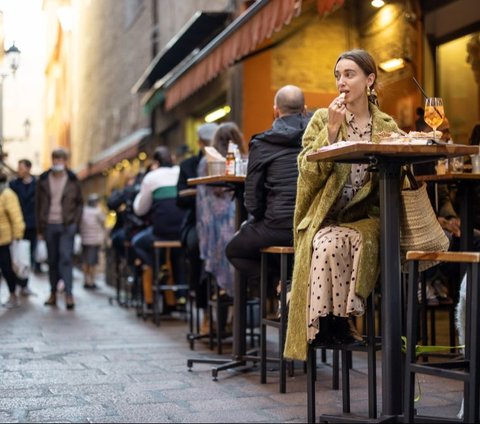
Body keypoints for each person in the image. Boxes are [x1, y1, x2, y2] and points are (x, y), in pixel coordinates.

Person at [284, 49, 400, 362]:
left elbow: (400, 170)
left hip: (366, 218)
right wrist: (332, 131)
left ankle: (340, 322)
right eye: (338, 76)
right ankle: (330, 325)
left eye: (349, 74)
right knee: (326, 238)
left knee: (336, 240)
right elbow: (306, 173)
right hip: (326, 216)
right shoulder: (323, 118)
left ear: (369, 79)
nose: (341, 82)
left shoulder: (387, 126)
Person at [226, 85, 311, 292]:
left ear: (275, 111)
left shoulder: (262, 143)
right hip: (311, 226)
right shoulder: (318, 136)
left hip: (277, 227)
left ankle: (277, 288)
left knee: (234, 251)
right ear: (305, 109)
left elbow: (252, 200)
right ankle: (292, 286)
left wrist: (259, 217)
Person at [196, 122, 246, 297]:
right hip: (241, 222)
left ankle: (223, 293)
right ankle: (243, 291)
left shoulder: (205, 162)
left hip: (212, 227)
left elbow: (203, 200)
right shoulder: (245, 159)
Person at [176, 122, 218, 332]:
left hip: (223, 221)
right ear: (200, 143)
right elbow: (180, 199)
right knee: (196, 248)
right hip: (198, 220)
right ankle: (204, 310)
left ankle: (230, 310)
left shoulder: (225, 161)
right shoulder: (188, 166)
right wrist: (199, 194)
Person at [132, 146, 185, 308]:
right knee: (178, 252)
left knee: (137, 242)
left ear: (155, 162)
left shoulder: (151, 177)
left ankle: (159, 268)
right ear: (173, 158)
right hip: (183, 232)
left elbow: (140, 209)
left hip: (161, 233)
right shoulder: (181, 172)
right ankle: (180, 295)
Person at [36, 148, 83, 310]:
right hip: (49, 224)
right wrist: (40, 229)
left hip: (67, 225)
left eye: (61, 159)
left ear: (65, 161)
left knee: (66, 258)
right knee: (52, 260)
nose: (58, 162)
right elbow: (38, 205)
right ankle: (53, 293)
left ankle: (69, 294)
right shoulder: (43, 180)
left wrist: (75, 223)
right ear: (52, 160)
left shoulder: (72, 179)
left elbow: (79, 204)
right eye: (55, 159)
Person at [9, 159, 39, 297]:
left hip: (32, 225)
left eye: (21, 167)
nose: (19, 170)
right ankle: (18, 283)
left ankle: (25, 284)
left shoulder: (37, 184)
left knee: (29, 256)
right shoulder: (13, 184)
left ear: (28, 168)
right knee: (17, 255)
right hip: (17, 225)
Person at [0, 171, 25, 308]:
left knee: (7, 268)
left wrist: (18, 236)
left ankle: (13, 294)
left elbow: (16, 218)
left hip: (4, 239)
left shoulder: (7, 194)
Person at [80, 193, 105, 289]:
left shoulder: (84, 211)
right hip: (94, 240)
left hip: (84, 239)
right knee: (93, 262)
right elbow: (104, 222)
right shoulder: (97, 212)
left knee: (86, 261)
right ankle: (91, 281)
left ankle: (86, 280)